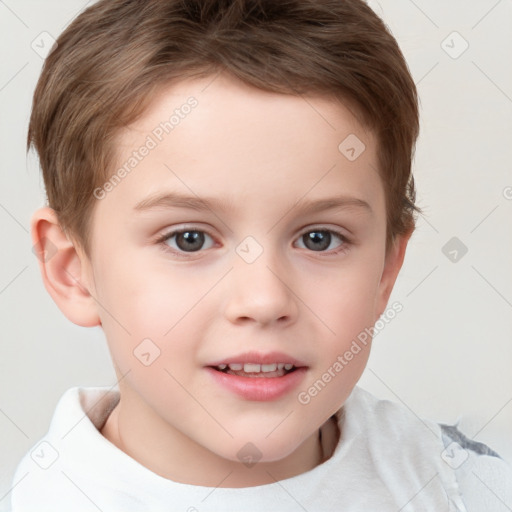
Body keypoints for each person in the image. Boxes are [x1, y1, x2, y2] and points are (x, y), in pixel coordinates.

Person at [9, 0, 511, 510]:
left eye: (319, 238)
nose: (265, 299)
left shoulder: (468, 489)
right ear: (71, 270)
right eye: (190, 239)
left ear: (386, 269)